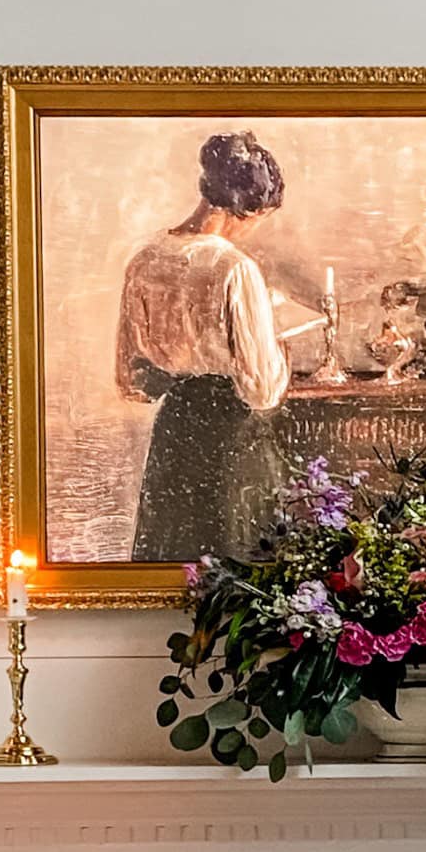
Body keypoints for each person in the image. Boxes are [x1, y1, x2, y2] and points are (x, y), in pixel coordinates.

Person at [116, 131, 309, 562]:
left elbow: (132, 380)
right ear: (248, 207)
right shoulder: (233, 269)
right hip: (228, 432)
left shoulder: (145, 259)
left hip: (174, 429)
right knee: (228, 560)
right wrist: (278, 348)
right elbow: (262, 389)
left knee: (170, 555)